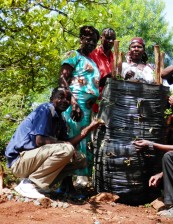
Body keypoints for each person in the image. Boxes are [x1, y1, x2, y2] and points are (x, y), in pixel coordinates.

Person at [5, 87, 103, 199]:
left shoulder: (59, 120)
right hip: (19, 161)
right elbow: (40, 140)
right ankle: (29, 184)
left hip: (33, 160)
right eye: (60, 97)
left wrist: (89, 128)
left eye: (68, 99)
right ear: (52, 98)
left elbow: (69, 142)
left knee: (80, 159)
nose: (64, 101)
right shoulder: (46, 109)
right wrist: (66, 145)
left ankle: (38, 185)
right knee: (67, 149)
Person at [59, 25, 100, 187]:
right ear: (81, 39)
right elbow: (62, 79)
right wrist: (73, 102)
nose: (91, 43)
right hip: (74, 106)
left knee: (83, 142)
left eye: (94, 41)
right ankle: (65, 184)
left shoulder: (91, 60)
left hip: (87, 109)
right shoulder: (73, 55)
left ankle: (76, 184)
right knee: (71, 141)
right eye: (88, 39)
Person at [89, 27, 116, 94]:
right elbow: (87, 80)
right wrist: (106, 79)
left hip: (111, 99)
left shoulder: (115, 58)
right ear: (101, 38)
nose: (111, 41)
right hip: (94, 98)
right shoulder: (92, 54)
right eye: (108, 38)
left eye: (113, 39)